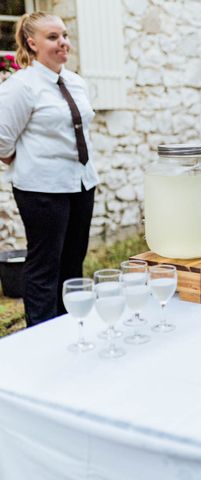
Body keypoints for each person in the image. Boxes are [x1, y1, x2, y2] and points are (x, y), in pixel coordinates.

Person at [0, 12, 99, 327]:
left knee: (73, 262)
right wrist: (31, 162)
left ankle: (70, 328)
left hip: (82, 184)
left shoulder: (76, 82)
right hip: (42, 190)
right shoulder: (21, 85)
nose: (63, 43)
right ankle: (40, 337)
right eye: (53, 37)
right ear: (32, 42)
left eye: (65, 35)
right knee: (45, 266)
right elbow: (2, 141)